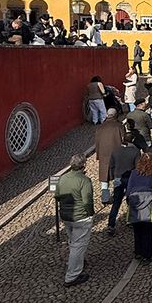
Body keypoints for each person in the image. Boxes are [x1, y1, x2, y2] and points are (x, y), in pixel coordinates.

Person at [54, 153, 94, 288]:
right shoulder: (84, 180)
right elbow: (87, 201)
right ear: (83, 165)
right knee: (78, 245)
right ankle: (72, 275)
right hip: (81, 217)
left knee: (73, 242)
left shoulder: (62, 178)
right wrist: (90, 214)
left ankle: (78, 262)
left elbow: (57, 196)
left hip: (66, 216)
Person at [125, 152, 152, 263]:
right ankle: (147, 255)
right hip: (148, 204)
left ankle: (138, 252)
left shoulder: (134, 173)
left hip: (135, 203)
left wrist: (129, 201)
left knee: (137, 230)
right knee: (147, 231)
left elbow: (128, 191)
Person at [107, 131, 141, 236]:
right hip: (130, 179)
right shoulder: (135, 151)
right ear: (133, 140)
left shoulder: (115, 150)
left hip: (118, 178)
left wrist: (112, 177)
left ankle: (111, 225)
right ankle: (131, 220)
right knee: (131, 200)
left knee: (116, 203)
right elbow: (138, 167)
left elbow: (111, 166)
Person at [95, 107, 124, 204]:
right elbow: (123, 140)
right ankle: (117, 195)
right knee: (117, 174)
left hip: (104, 154)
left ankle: (105, 197)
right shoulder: (119, 126)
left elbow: (97, 142)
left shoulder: (100, 127)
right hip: (117, 153)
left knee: (104, 177)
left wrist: (98, 154)